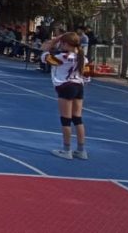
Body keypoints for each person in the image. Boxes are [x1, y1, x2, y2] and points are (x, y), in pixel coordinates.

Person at [41, 32, 90, 160]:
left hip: (66, 87)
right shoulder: (83, 58)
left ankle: (66, 150)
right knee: (77, 119)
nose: (60, 45)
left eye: (62, 43)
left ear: (67, 44)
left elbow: (44, 54)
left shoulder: (61, 58)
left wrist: (53, 41)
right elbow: (87, 76)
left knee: (66, 120)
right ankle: (81, 150)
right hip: (79, 87)